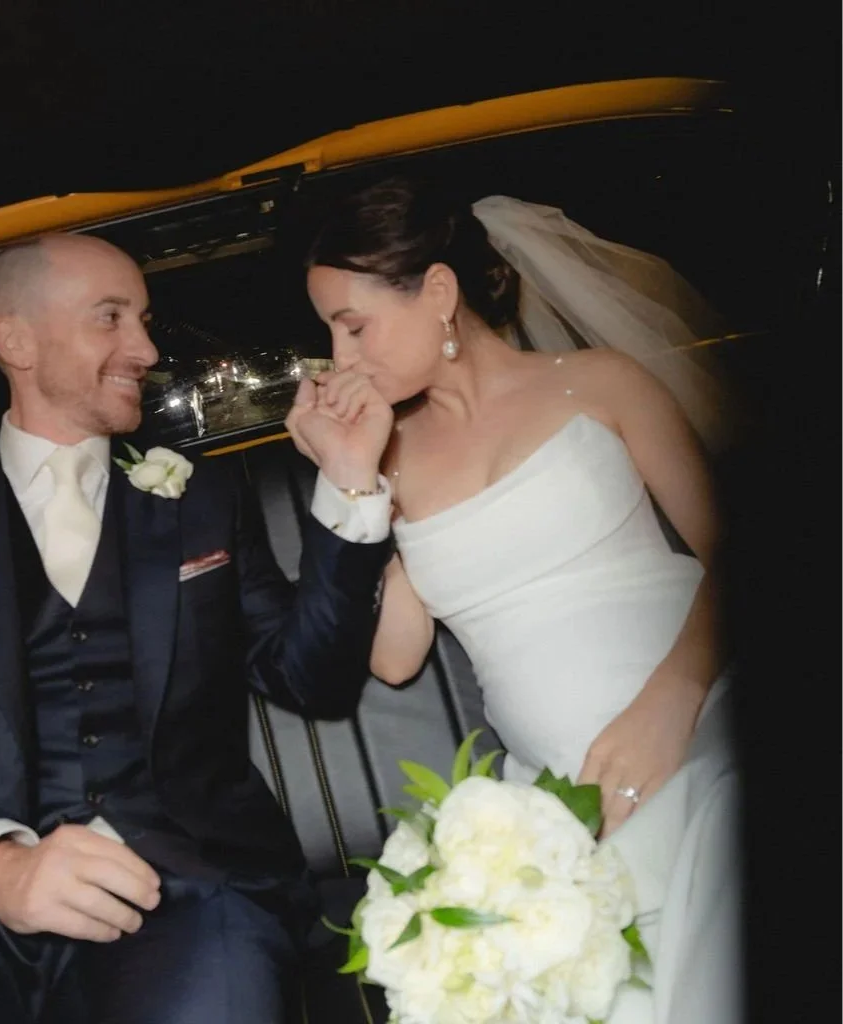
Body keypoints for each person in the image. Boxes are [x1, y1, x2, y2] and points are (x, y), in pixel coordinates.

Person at [0, 232, 395, 1023]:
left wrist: (351, 481)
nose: (147, 347)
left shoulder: (202, 498)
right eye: (111, 318)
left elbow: (311, 680)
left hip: (189, 890)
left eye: (145, 319)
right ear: (15, 340)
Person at [290, 176, 742, 1024]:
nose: (341, 358)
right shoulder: (391, 457)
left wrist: (672, 701)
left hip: (700, 704)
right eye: (328, 334)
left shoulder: (602, 382)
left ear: (437, 293)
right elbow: (393, 658)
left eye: (353, 327)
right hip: (562, 792)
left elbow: (737, 550)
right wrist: (353, 478)